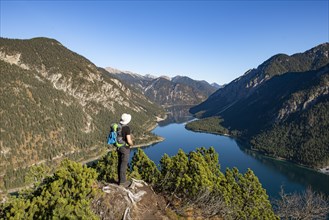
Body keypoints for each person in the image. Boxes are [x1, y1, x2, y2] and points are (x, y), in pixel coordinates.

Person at [117, 113, 133, 187]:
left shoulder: (118, 126)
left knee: (120, 163)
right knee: (123, 164)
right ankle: (123, 182)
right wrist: (132, 144)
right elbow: (129, 140)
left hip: (119, 147)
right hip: (125, 148)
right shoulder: (126, 128)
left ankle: (120, 180)